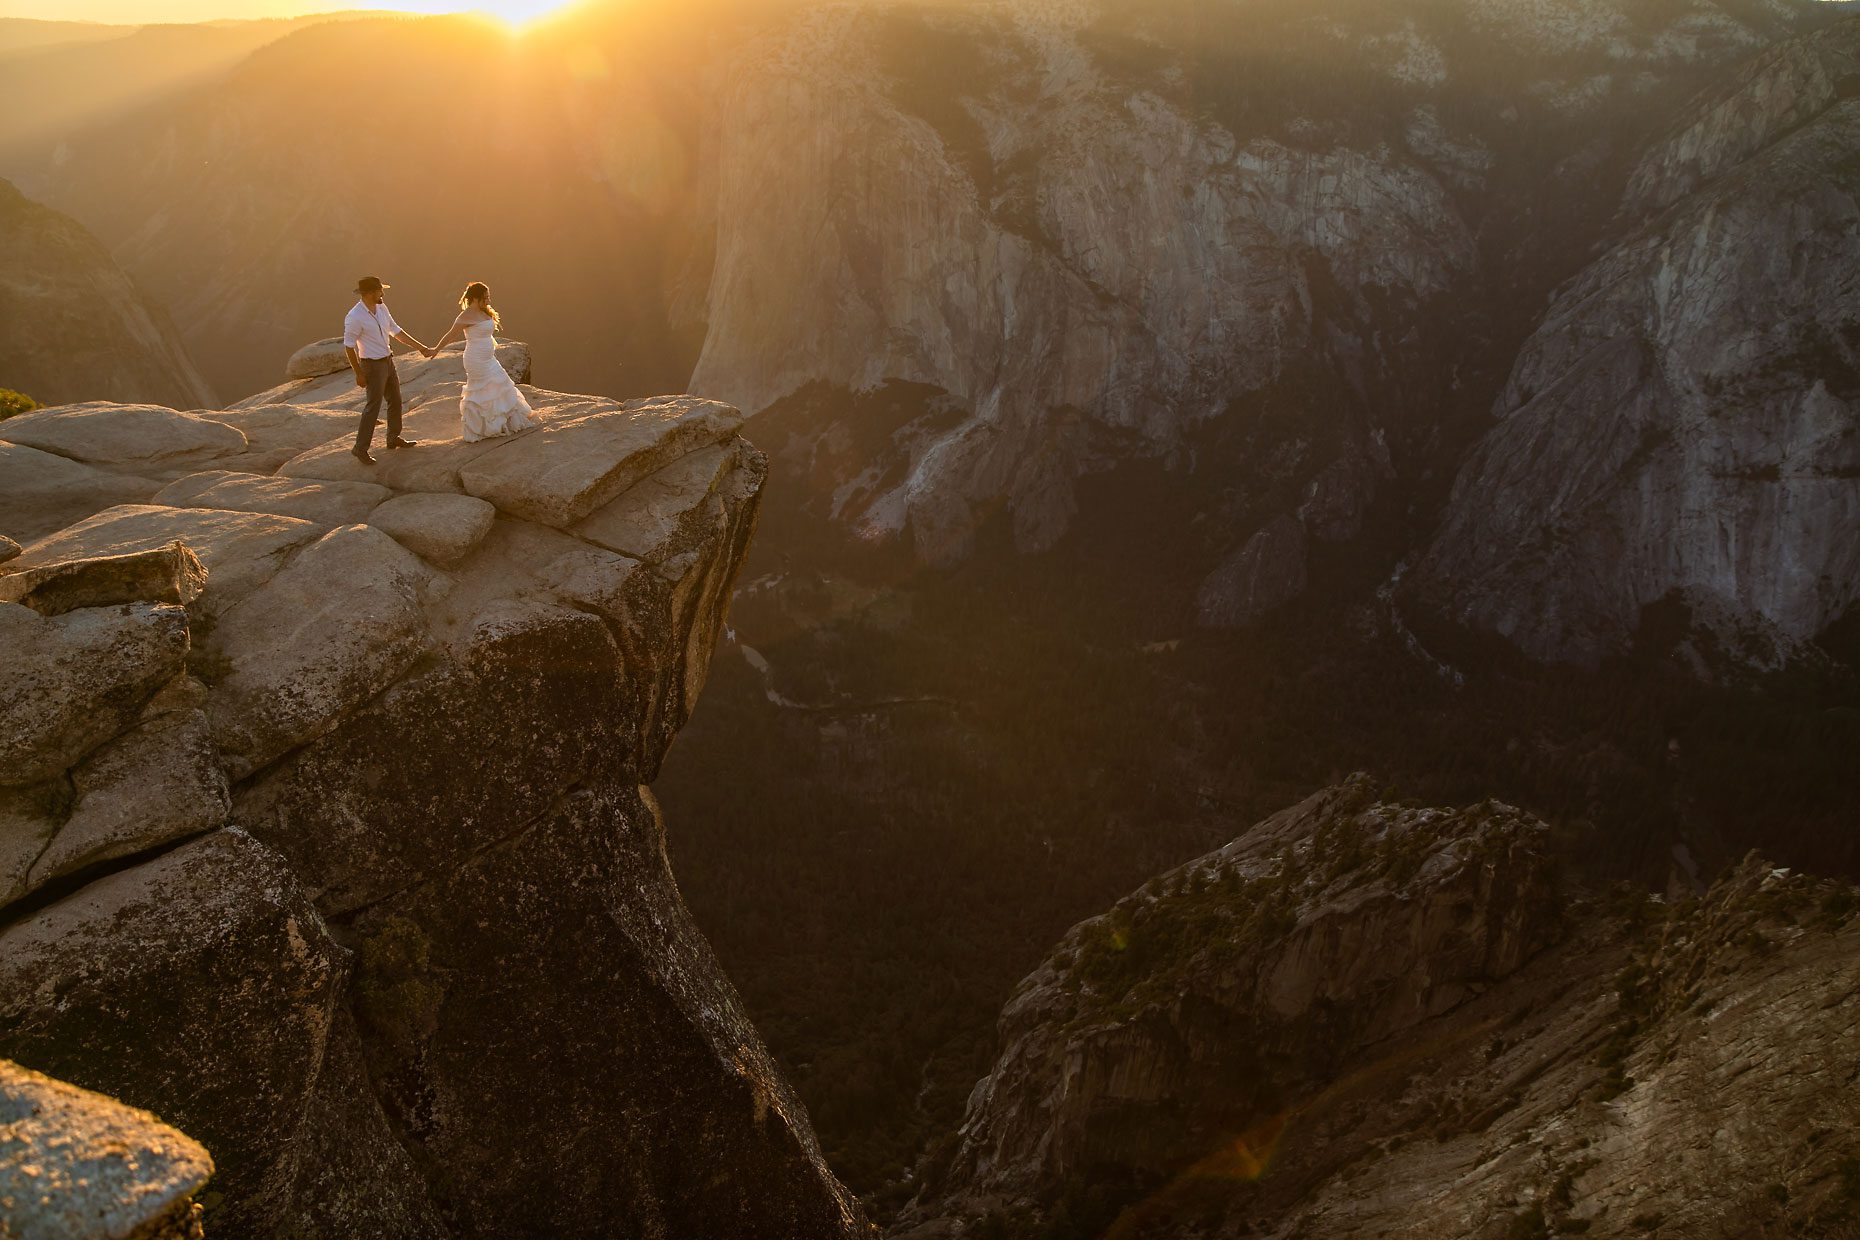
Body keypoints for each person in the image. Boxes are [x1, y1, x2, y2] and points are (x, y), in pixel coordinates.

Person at [344, 275, 436, 464]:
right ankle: (360, 449)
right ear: (369, 293)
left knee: (395, 400)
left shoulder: (381, 308)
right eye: (379, 290)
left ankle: (393, 438)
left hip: (387, 361)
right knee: (373, 407)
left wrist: (420, 348)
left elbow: (396, 331)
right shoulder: (354, 317)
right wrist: (359, 373)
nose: (382, 293)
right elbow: (348, 346)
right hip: (371, 365)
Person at [430, 281, 538, 442]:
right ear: (474, 298)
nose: (488, 300)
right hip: (475, 359)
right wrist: (436, 349)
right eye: (485, 297)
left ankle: (502, 421)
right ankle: (485, 427)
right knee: (482, 390)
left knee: (499, 383)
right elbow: (450, 334)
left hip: (488, 358)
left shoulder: (483, 311)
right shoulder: (465, 316)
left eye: (488, 297)